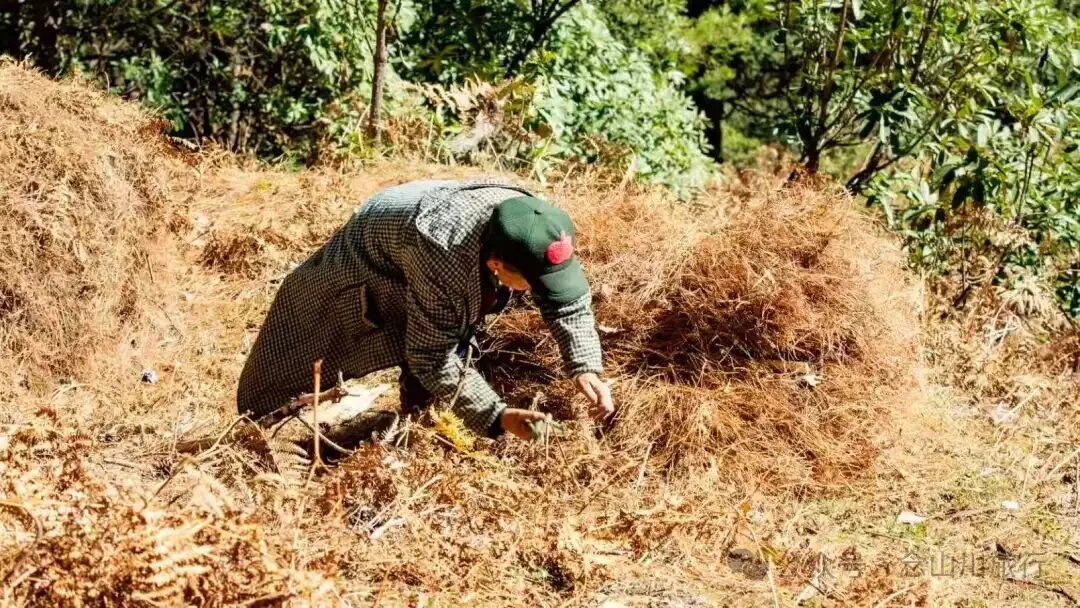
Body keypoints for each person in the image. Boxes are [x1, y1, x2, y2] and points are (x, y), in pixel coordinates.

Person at [236, 178, 615, 440]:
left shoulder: (530, 220)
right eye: (533, 281)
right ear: (496, 265)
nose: (540, 291)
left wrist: (586, 367)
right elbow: (432, 355)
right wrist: (498, 417)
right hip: (355, 273)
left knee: (457, 314)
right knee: (271, 396)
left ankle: (424, 417)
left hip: (416, 245)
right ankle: (418, 417)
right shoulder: (442, 252)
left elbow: (567, 301)